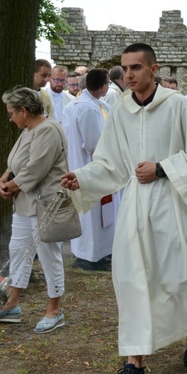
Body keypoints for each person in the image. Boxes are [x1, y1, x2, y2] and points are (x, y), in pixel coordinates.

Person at [61, 43, 187, 374]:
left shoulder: (178, 106)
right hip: (136, 208)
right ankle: (133, 365)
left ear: (153, 70)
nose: (129, 75)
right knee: (132, 280)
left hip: (173, 207)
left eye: (136, 67)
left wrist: (163, 168)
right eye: (125, 69)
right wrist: (84, 178)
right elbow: (111, 163)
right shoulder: (121, 111)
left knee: (182, 274)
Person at [0, 87, 68, 332]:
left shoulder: (48, 130)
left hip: (46, 203)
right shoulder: (28, 130)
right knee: (19, 251)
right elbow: (15, 163)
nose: (10, 117)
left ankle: (54, 310)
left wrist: (11, 186)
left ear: (24, 111)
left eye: (11, 112)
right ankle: (12, 303)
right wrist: (1, 181)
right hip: (25, 202)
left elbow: (35, 169)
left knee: (48, 255)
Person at [65, 68, 118, 272]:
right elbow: (93, 143)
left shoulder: (97, 104)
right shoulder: (86, 107)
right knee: (91, 213)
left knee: (100, 213)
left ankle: (101, 253)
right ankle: (88, 256)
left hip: (99, 166)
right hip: (89, 165)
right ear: (103, 85)